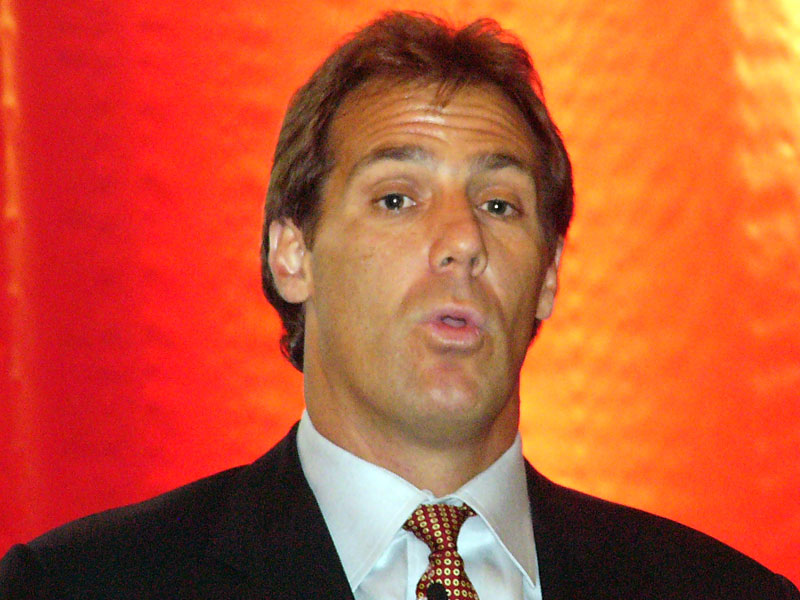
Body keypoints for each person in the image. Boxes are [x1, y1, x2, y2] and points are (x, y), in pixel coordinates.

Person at [0, 11, 797, 600]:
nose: (463, 241)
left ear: (549, 276)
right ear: (293, 254)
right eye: (396, 198)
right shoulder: (81, 585)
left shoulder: (722, 591)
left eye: (499, 205)